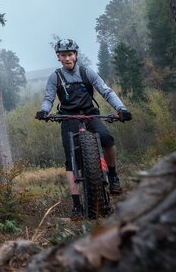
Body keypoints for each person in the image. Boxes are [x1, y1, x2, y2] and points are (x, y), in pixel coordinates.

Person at [35, 38, 132, 219]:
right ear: (58, 57)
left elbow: (106, 91)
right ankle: (77, 205)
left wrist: (121, 109)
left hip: (89, 115)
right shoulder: (55, 77)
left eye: (70, 54)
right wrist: (44, 111)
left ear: (76, 55)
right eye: (63, 55)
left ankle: (113, 176)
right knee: (71, 159)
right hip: (68, 118)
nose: (67, 58)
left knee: (107, 138)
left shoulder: (87, 73)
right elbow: (48, 98)